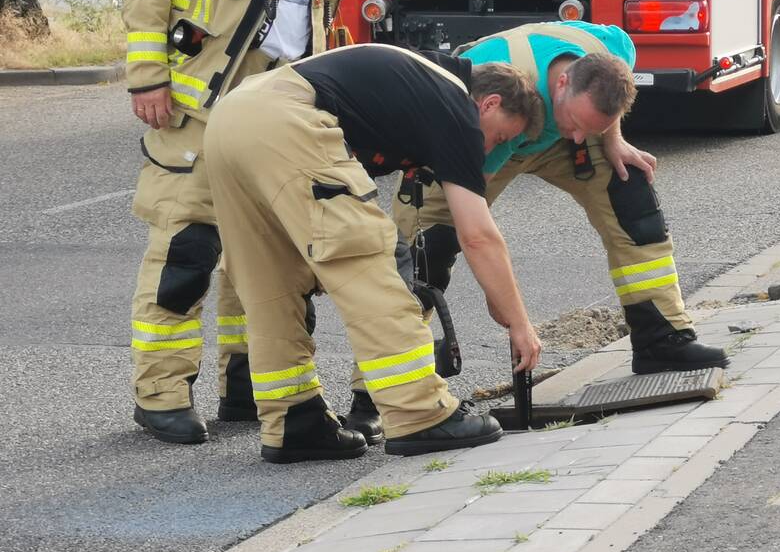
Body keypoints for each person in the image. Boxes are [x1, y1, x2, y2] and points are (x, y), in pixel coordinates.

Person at [346, 21, 729, 424]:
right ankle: (375, 392)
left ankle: (662, 339)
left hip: (546, 140)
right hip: (484, 141)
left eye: (589, 128)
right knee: (425, 255)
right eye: (576, 122)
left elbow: (602, 101)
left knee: (630, 193)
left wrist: (611, 138)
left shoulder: (611, 51)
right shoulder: (499, 96)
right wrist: (502, 298)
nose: (579, 138)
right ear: (561, 84)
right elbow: (477, 231)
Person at [204, 44, 544, 463]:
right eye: (500, 136)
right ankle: (420, 412)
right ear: (488, 104)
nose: (490, 149)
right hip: (286, 120)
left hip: (229, 119)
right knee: (369, 262)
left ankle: (294, 419)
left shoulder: (418, 77)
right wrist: (519, 323)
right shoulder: (457, 106)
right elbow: (477, 235)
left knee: (271, 279)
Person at [123, 0, 347, 444]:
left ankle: (247, 382)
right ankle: (161, 393)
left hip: (280, 108)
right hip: (200, 106)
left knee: (267, 253)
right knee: (185, 249)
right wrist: (147, 74)